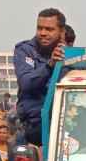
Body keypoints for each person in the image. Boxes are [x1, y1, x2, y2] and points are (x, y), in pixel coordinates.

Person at [14, 8, 68, 146]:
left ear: (61, 32)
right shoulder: (25, 50)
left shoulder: (70, 56)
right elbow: (25, 83)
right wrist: (49, 65)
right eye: (40, 28)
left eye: (49, 29)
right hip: (32, 130)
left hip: (64, 127)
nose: (43, 33)